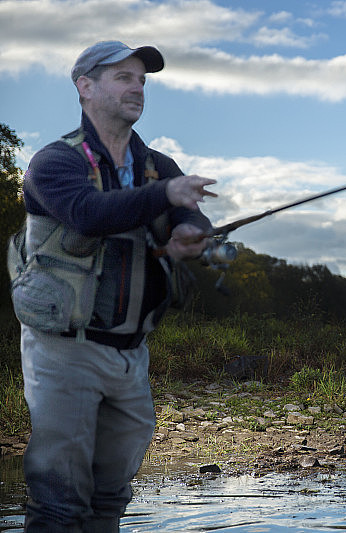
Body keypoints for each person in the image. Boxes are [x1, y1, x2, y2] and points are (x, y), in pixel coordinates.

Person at [13, 41, 217, 532]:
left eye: (141, 80)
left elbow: (192, 216)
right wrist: (166, 195)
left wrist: (190, 234)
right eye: (123, 77)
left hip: (131, 356)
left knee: (110, 499)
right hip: (63, 351)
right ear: (85, 87)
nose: (137, 88)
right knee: (60, 503)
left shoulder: (157, 165)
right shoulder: (53, 163)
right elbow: (89, 214)